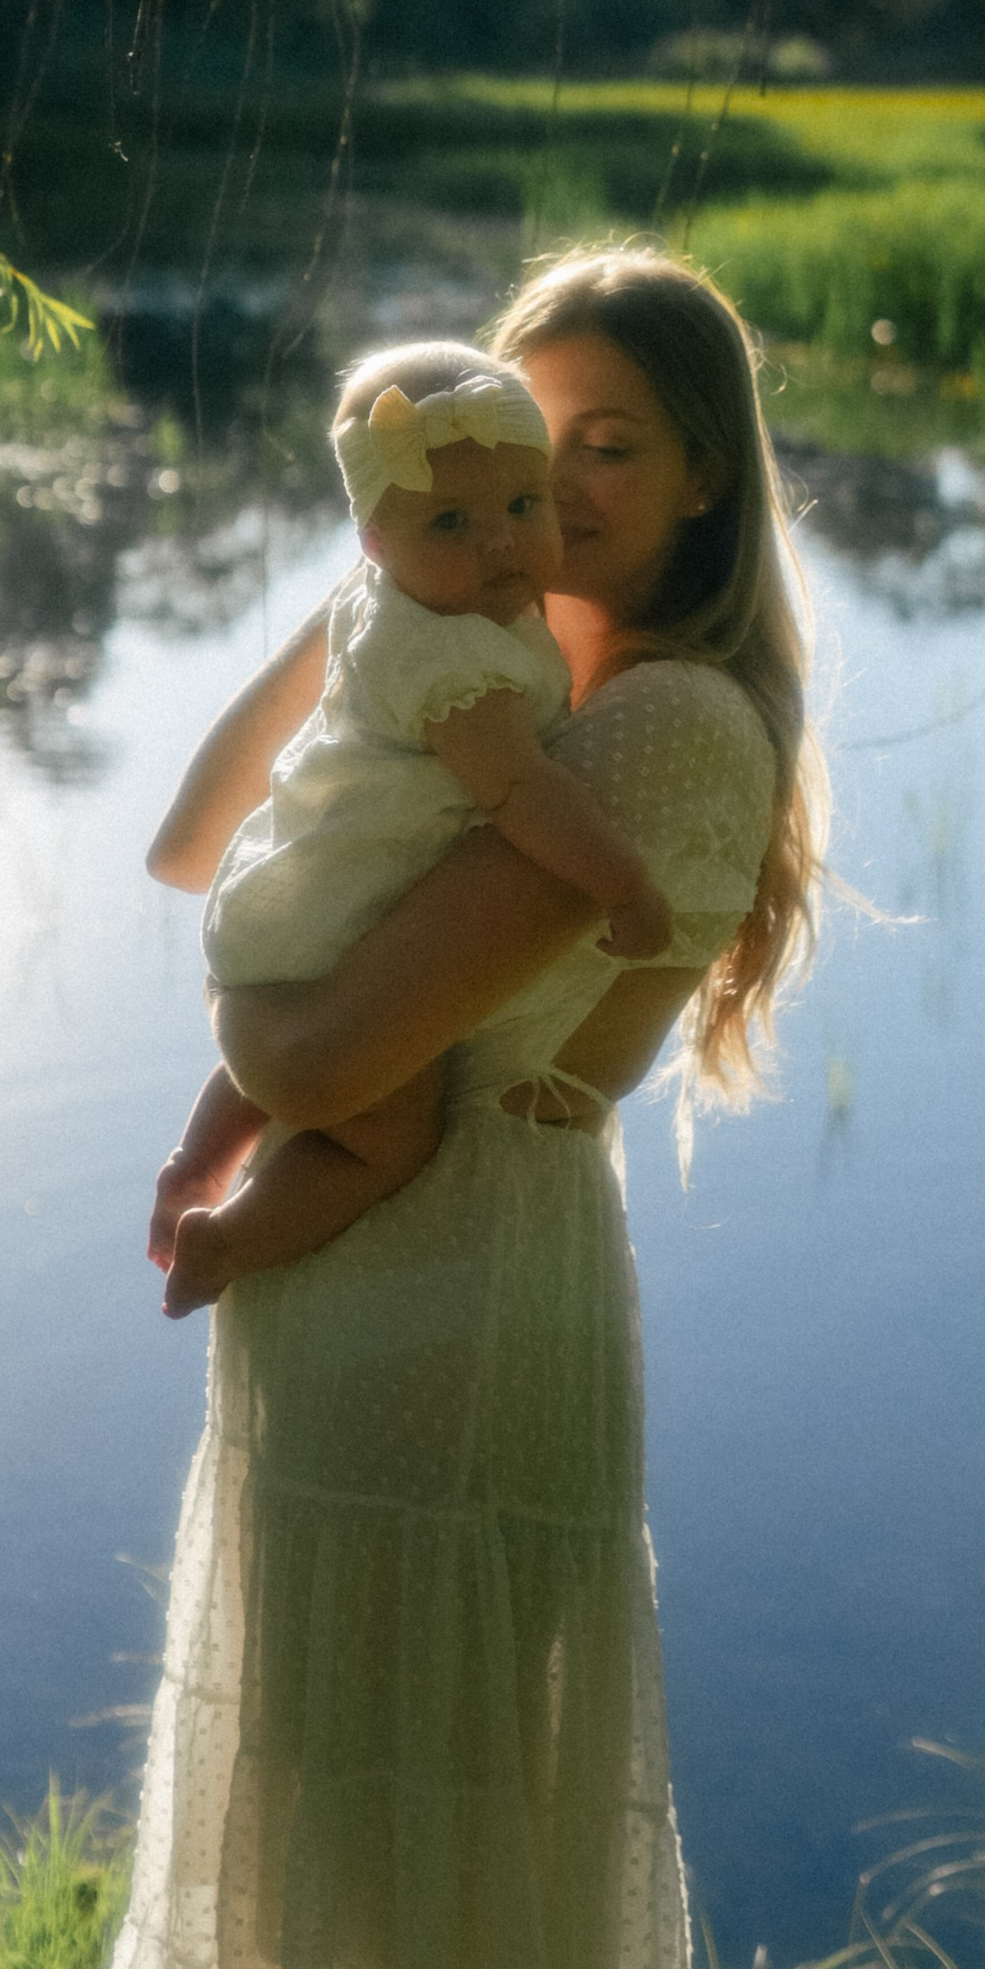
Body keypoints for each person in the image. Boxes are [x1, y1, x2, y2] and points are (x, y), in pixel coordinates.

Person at [89, 246, 825, 1969]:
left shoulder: (654, 732)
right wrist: (364, 607)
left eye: (601, 447)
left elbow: (333, 1039)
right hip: (351, 1312)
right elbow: (183, 846)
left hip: (454, 1330)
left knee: (447, 1961)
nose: (545, 485)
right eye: (506, 439)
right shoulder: (498, 685)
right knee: (362, 1925)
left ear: (702, 480)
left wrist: (250, 1049)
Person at [152, 337, 677, 1318]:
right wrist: (623, 884)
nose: (499, 546)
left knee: (267, 1061)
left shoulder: (380, 604)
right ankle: (222, 1240)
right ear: (375, 543)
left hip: (273, 935)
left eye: (523, 507)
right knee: (384, 1142)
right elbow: (521, 794)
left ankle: (195, 1158)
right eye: (451, 522)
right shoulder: (452, 670)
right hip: (324, 961)